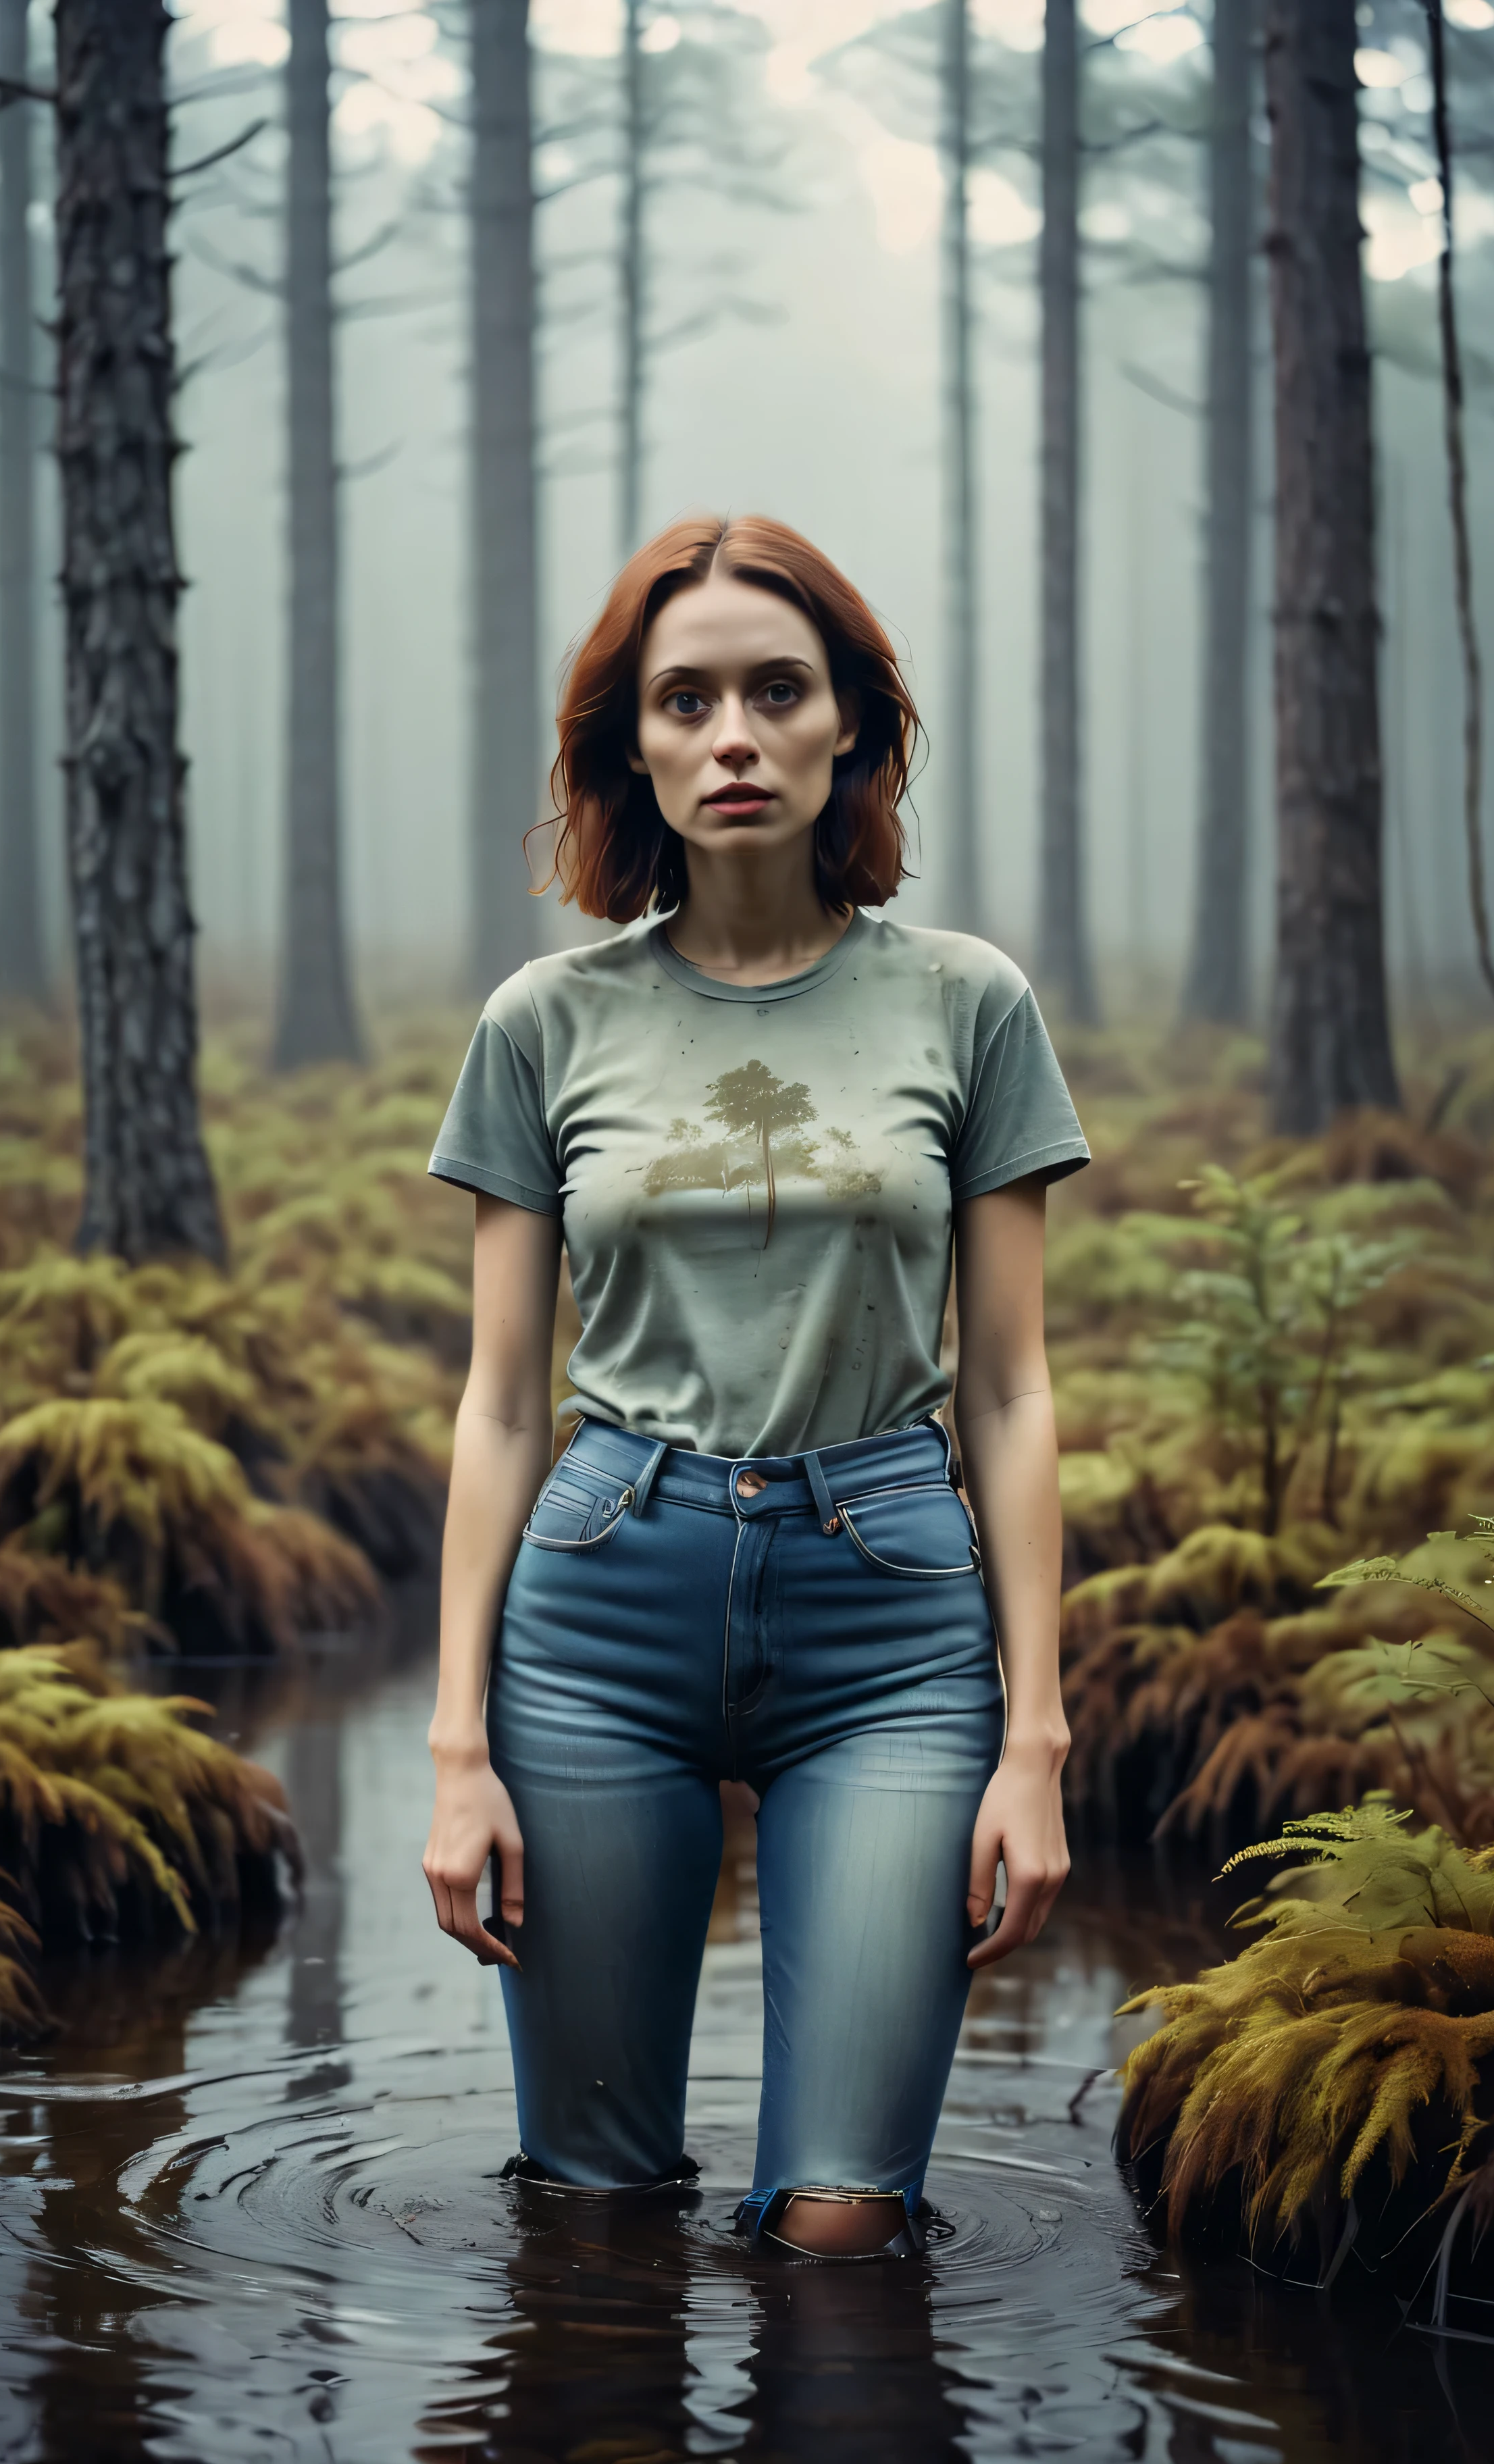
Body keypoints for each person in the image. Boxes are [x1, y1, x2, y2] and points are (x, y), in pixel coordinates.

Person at [421, 515, 1088, 2260]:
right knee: (592, 2209)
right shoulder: (543, 1024)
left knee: (848, 2236)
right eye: (686, 698)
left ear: (850, 726)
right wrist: (454, 1748)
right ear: (630, 745)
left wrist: (1037, 1739)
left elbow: (1012, 1395)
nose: (733, 736)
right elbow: (499, 1405)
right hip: (597, 1601)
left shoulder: (970, 1005)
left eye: (776, 692)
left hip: (890, 1615)